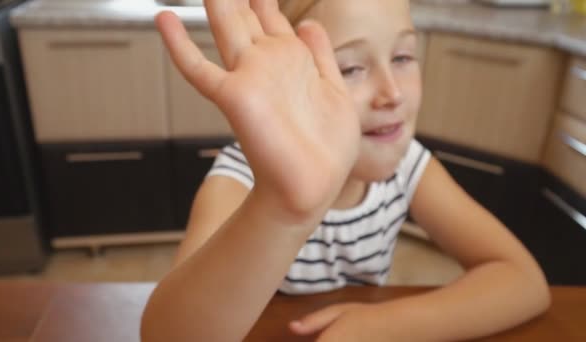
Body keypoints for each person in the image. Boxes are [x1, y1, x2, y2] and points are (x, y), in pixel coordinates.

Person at [141, 0, 550, 341]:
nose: (392, 93)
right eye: (352, 68)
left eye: (403, 56)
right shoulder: (240, 179)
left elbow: (524, 281)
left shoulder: (408, 167)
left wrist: (383, 324)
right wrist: (282, 209)